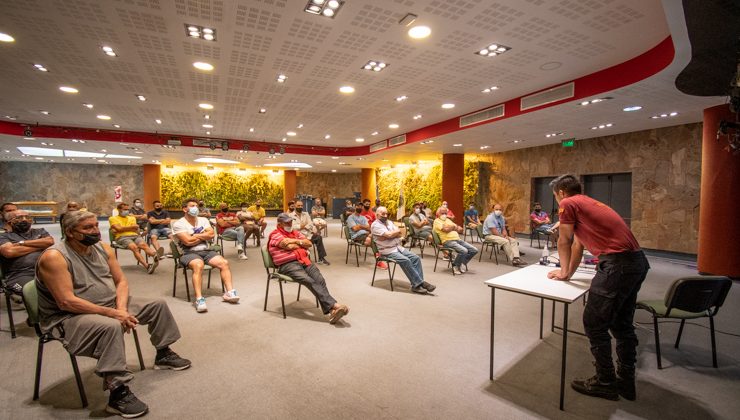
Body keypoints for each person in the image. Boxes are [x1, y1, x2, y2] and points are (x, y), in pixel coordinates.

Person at [36, 210, 191, 418]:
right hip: (68, 316)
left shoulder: (102, 248)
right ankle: (118, 393)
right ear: (70, 232)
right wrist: (114, 314)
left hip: (109, 304)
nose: (95, 231)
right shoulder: (54, 257)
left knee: (157, 305)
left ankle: (163, 353)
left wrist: (120, 309)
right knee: (110, 326)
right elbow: (67, 302)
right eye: (87, 228)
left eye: (95, 226)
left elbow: (121, 281)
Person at [546, 174, 649, 402]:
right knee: (621, 323)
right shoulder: (588, 204)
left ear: (561, 193)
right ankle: (625, 380)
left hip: (617, 264)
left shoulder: (568, 203)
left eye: (555, 196)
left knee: (594, 323)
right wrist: (568, 273)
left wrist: (563, 273)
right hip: (636, 262)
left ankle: (605, 381)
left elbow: (563, 240)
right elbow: (577, 244)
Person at [268, 213, 349, 324]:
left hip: (303, 260)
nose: (290, 224)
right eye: (287, 222)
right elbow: (286, 245)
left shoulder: (295, 233)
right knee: (309, 280)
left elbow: (309, 243)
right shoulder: (275, 234)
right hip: (287, 264)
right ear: (280, 224)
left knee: (320, 279)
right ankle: (335, 305)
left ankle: (332, 311)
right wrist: (300, 244)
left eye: (291, 221)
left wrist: (296, 241)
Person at [172, 198, 240, 312]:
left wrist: (194, 235)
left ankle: (230, 292)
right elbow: (187, 242)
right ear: (184, 209)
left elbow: (211, 234)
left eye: (196, 206)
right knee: (198, 265)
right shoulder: (178, 223)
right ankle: (199, 299)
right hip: (188, 252)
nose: (196, 208)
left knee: (224, 263)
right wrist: (203, 235)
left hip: (206, 250)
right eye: (192, 205)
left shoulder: (203, 219)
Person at [371, 207, 436, 294]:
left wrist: (391, 235)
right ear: (377, 215)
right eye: (383, 214)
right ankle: (419, 284)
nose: (386, 216)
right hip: (387, 251)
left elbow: (399, 233)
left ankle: (417, 284)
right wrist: (393, 233)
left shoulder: (389, 222)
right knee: (406, 260)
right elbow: (389, 234)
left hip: (398, 247)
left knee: (415, 258)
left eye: (387, 214)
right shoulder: (375, 225)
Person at [0, 210, 54, 299]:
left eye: (28, 217)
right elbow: (9, 252)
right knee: (36, 293)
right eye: (19, 218)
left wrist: (21, 243)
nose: (24, 220)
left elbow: (50, 241)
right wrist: (40, 245)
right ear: (9, 222)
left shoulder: (40, 231)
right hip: (19, 275)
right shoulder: (4, 236)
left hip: (45, 270)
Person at [109, 203, 162, 274]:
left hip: (135, 236)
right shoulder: (112, 218)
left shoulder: (132, 218)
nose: (127, 211)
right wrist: (130, 228)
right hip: (122, 237)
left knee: (143, 245)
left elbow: (135, 229)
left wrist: (122, 228)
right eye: (125, 209)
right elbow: (119, 229)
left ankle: (155, 255)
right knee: (134, 247)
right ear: (119, 209)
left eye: (128, 209)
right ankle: (147, 266)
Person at [433, 206, 478, 274]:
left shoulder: (448, 220)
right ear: (438, 213)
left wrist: (452, 227)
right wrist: (453, 227)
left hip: (458, 240)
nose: (444, 215)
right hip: (447, 241)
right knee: (464, 251)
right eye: (442, 213)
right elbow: (445, 230)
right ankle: (456, 265)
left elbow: (460, 229)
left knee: (474, 250)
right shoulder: (437, 221)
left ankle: (461, 263)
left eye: (445, 213)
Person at [290, 201, 330, 265]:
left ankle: (321, 258)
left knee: (318, 237)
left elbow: (310, 224)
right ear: (295, 206)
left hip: (308, 235)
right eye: (298, 205)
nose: (300, 207)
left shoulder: (306, 214)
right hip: (298, 238)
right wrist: (301, 226)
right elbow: (292, 228)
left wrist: (302, 227)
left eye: (301, 205)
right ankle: (302, 258)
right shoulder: (290, 216)